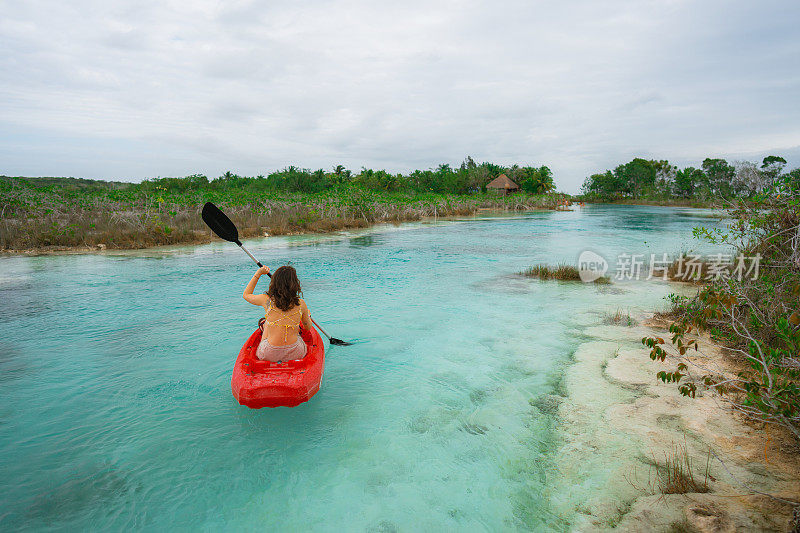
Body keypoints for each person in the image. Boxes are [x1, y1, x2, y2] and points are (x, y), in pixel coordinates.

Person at [243, 265, 313, 362]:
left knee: (267, 322)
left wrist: (258, 273)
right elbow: (307, 327)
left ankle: (264, 328)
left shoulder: (266, 300)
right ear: (295, 284)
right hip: (296, 353)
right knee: (295, 328)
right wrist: (308, 316)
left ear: (274, 283)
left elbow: (246, 294)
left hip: (268, 354)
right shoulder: (301, 304)